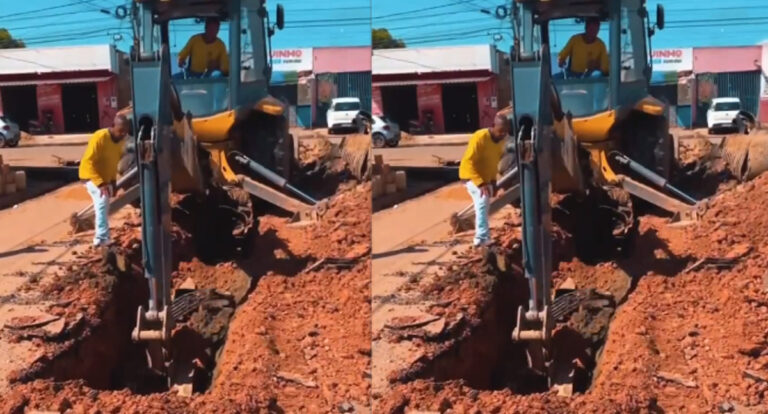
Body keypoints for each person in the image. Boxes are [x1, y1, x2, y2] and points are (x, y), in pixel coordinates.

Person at [458, 114, 510, 248]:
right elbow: (468, 161)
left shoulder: (501, 142)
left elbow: (493, 163)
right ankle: (481, 238)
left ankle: (482, 234)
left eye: (505, 132)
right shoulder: (480, 137)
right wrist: (480, 183)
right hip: (470, 176)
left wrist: (493, 181)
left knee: (483, 206)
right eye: (500, 131)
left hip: (485, 179)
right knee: (483, 199)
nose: (502, 134)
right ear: (493, 126)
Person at [78, 115, 130, 247]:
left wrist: (113, 182)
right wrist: (100, 184)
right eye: (120, 130)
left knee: (104, 206)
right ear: (113, 126)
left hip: (105, 179)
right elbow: (88, 162)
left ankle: (103, 235)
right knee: (102, 200)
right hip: (90, 176)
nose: (123, 134)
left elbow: (113, 163)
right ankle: (101, 239)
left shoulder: (120, 142)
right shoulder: (100, 137)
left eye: (125, 131)